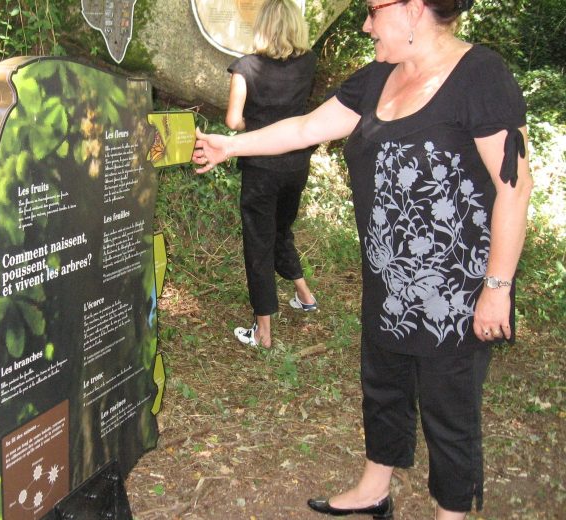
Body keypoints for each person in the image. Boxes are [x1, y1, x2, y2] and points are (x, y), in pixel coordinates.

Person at [192, 0, 532, 518]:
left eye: (375, 10)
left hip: (454, 296)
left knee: (449, 409)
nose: (367, 23)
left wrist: (497, 288)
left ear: (414, 9)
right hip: (387, 283)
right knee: (384, 388)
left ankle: (451, 512)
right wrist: (229, 146)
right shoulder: (376, 78)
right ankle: (374, 490)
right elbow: (305, 128)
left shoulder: (480, 75)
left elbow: (515, 187)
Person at [224, 0, 318, 349]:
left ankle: (263, 331)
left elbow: (233, 122)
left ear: (262, 25)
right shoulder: (309, 62)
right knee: (281, 229)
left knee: (258, 242)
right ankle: (304, 295)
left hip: (261, 166)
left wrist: (258, 124)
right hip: (296, 164)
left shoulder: (245, 67)